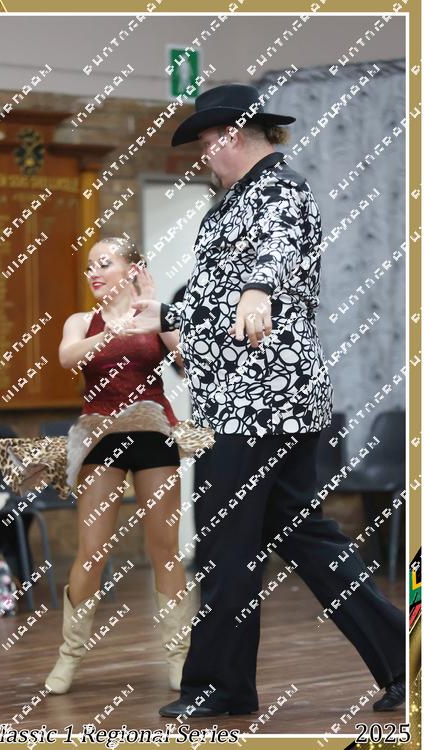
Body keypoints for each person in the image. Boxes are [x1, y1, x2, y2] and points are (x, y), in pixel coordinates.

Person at [123, 84, 406, 716]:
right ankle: (403, 656)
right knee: (304, 534)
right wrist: (162, 312)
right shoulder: (225, 208)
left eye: (206, 143)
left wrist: (258, 293)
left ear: (231, 136)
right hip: (260, 402)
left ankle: (219, 688)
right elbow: (209, 300)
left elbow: (270, 265)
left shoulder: (280, 193)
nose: (204, 156)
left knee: (224, 542)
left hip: (257, 405)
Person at [44, 236, 197, 695]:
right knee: (92, 550)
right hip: (100, 436)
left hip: (152, 432)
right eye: (90, 265)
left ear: (131, 269)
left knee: (164, 549)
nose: (93, 272)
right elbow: (67, 358)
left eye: (104, 263)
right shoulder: (80, 321)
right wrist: (113, 331)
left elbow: (190, 365)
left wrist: (160, 315)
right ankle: (69, 655)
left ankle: (180, 657)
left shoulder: (153, 314)